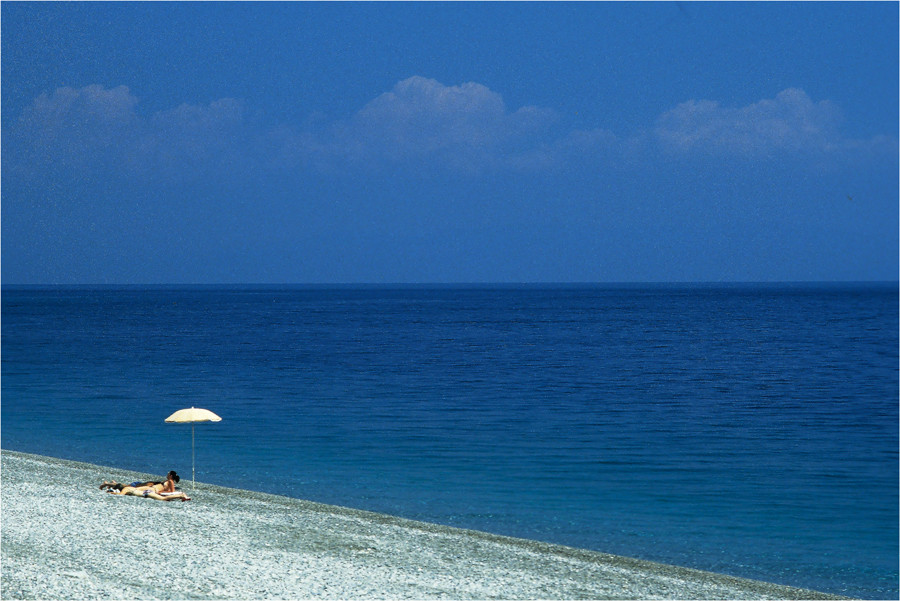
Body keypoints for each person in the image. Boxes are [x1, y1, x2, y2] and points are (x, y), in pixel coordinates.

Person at [102, 471, 190, 501]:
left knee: (132, 488)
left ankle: (111, 486)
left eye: (168, 473)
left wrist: (162, 492)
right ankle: (113, 486)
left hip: (152, 489)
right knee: (132, 488)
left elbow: (171, 491)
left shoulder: (170, 481)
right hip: (151, 489)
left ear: (171, 475)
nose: (167, 474)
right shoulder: (168, 481)